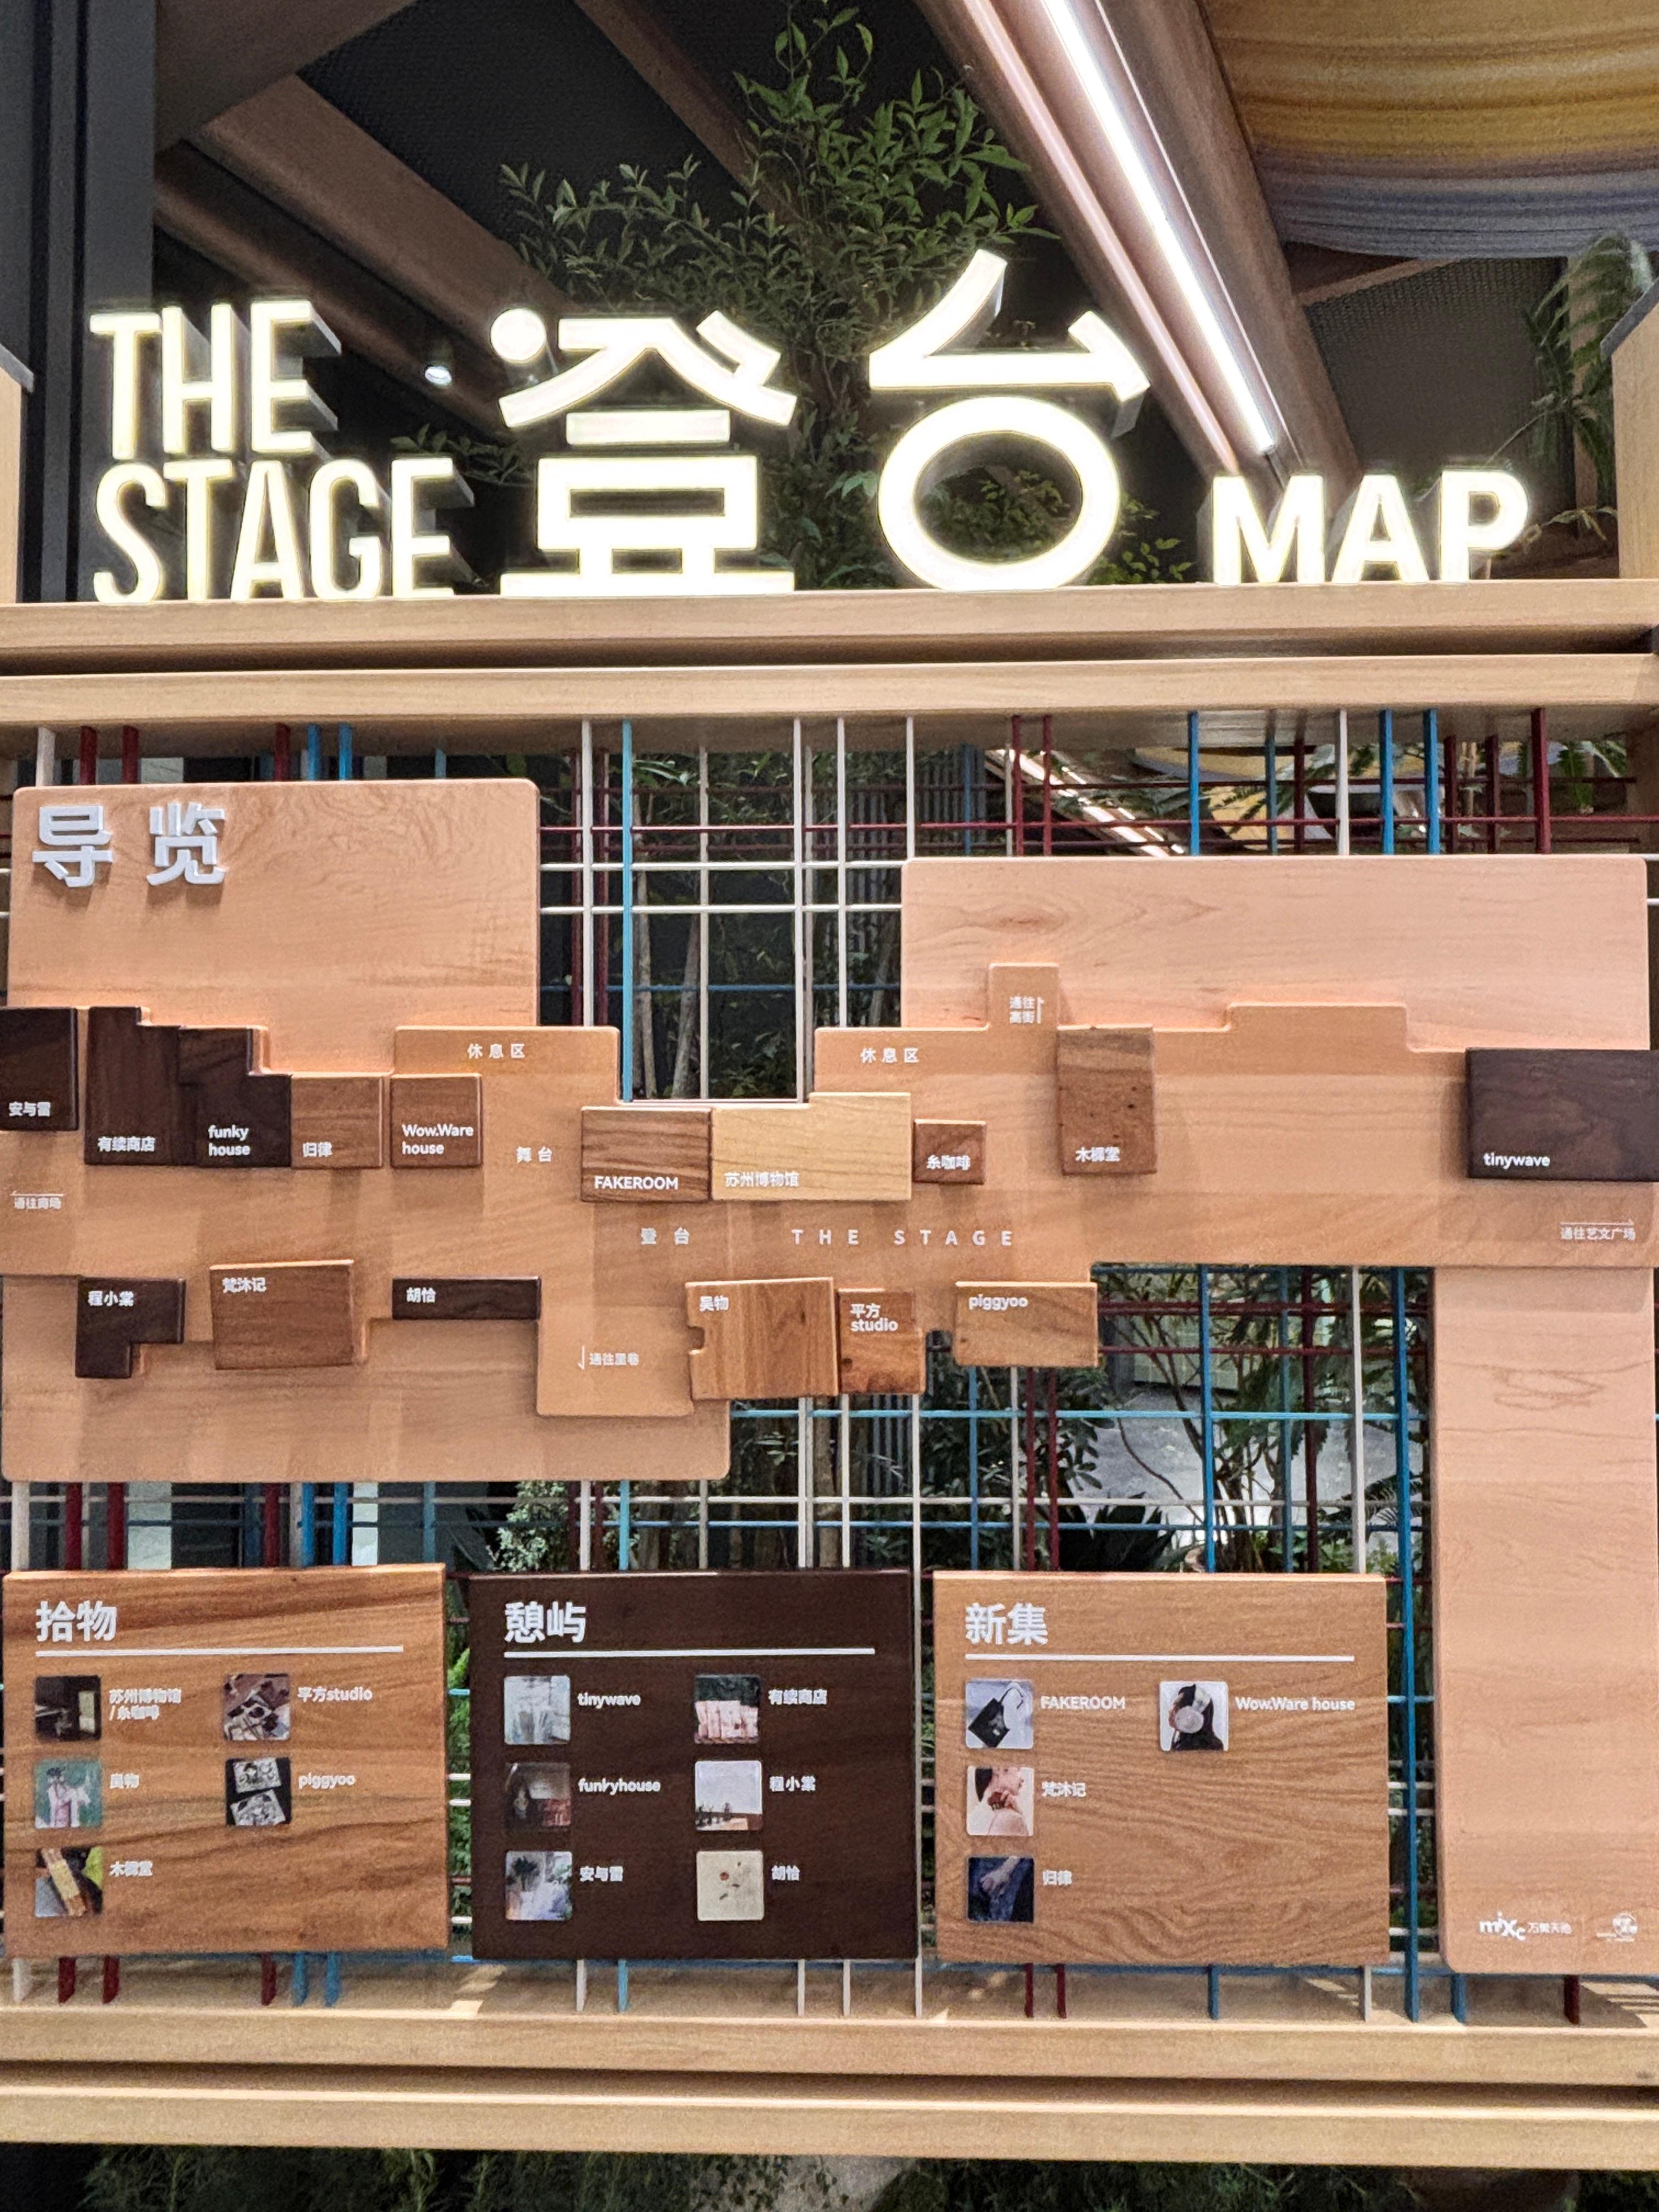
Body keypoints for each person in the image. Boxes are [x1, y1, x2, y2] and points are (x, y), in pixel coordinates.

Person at [1166, 1682, 1223, 1751]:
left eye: (1177, 1708)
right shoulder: (1179, 1744)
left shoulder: (1212, 1749)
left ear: (1191, 1716)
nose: (1170, 1711)